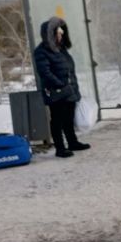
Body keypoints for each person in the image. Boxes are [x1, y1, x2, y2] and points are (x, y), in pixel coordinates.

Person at [34, 17, 90, 158]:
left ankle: (72, 142)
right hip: (56, 92)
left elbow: (68, 68)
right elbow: (45, 72)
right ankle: (60, 148)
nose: (61, 35)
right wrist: (60, 84)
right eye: (58, 33)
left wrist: (71, 87)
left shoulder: (62, 50)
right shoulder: (41, 51)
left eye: (61, 32)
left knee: (68, 118)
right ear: (51, 34)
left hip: (69, 90)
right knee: (57, 120)